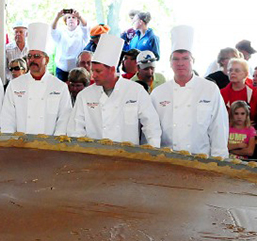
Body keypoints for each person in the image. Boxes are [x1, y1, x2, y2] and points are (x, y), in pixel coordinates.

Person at [68, 33, 161, 146]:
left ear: (112, 70)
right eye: (92, 71)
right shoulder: (85, 95)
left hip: (128, 154)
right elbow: (76, 129)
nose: (93, 75)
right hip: (94, 153)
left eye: (98, 71)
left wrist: (153, 149)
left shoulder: (136, 91)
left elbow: (151, 124)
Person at [150, 26, 228, 159]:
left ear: (193, 61)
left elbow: (219, 127)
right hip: (167, 160)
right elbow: (152, 129)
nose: (180, 63)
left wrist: (219, 160)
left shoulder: (210, 89)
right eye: (175, 59)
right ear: (170, 63)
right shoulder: (158, 93)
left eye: (185, 58)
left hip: (202, 160)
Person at [1, 22, 72, 136]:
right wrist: (11, 140)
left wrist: (55, 142)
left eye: (37, 56)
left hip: (49, 143)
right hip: (20, 143)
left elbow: (65, 118)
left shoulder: (60, 87)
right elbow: (7, 117)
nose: (32, 60)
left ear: (46, 60)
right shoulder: (14, 85)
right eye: (29, 56)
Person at [51, 8, 89, 81]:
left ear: (77, 21)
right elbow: (53, 30)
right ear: (66, 21)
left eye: (73, 17)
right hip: (61, 68)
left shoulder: (82, 32)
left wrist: (80, 16)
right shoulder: (61, 32)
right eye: (68, 17)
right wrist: (57, 17)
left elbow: (85, 26)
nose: (71, 19)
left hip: (77, 69)